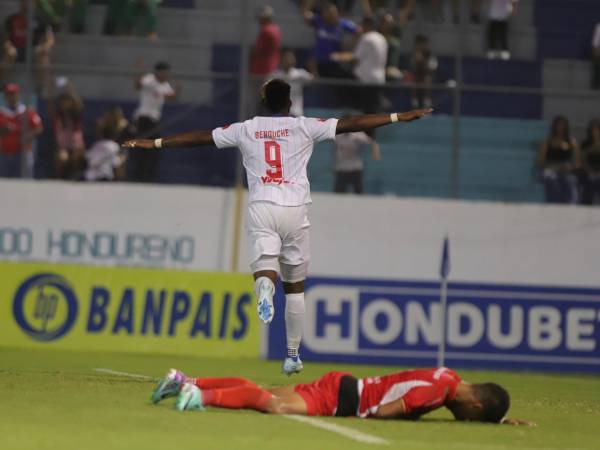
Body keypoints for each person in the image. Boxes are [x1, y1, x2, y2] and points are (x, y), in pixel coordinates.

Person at [123, 78, 432, 374]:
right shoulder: (305, 126)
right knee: (295, 288)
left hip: (262, 206)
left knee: (264, 265)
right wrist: (397, 116)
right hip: (296, 211)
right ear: (289, 102)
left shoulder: (247, 129)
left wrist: (155, 142)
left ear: (263, 101)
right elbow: (351, 124)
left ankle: (264, 290)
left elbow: (201, 137)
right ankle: (293, 356)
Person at [150, 366, 532, 426]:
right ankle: (199, 398)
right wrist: (409, 415)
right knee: (274, 405)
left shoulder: (449, 377)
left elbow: (467, 404)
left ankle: (188, 381)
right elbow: (384, 412)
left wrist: (497, 421)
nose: (462, 420)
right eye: (471, 417)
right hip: (345, 399)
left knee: (264, 392)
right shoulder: (437, 393)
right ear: (475, 405)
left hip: (346, 384)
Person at [129, 61, 178, 182]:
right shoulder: (150, 79)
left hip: (154, 120)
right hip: (144, 117)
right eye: (164, 73)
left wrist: (178, 90)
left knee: (155, 147)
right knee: (143, 147)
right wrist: (139, 72)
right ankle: (138, 176)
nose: (166, 76)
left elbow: (172, 96)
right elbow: (138, 86)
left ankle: (147, 176)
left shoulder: (164, 84)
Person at [331, 17, 388, 114]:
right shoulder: (381, 38)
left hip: (366, 80)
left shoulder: (367, 38)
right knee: (373, 109)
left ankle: (345, 107)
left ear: (367, 25)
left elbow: (355, 58)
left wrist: (337, 56)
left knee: (367, 110)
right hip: (379, 79)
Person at [302, 2, 360, 78]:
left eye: (332, 13)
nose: (331, 15)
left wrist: (349, 48)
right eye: (328, 13)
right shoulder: (319, 21)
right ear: (323, 14)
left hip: (334, 62)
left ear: (337, 13)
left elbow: (359, 31)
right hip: (318, 62)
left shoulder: (343, 24)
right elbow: (306, 16)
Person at [0, 83, 43, 178]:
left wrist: (28, 136)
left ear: (18, 95)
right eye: (9, 94)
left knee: (24, 183)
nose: (11, 97)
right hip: (5, 153)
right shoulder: (2, 113)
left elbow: (39, 127)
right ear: (5, 96)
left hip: (23, 153)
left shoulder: (26, 111)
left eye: (13, 94)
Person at [538, 115, 581, 204]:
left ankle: (570, 204)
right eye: (558, 125)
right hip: (550, 168)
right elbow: (540, 161)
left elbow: (578, 162)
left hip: (566, 169)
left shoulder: (572, 142)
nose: (560, 127)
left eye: (563, 125)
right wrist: (553, 167)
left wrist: (570, 167)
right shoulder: (547, 141)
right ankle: (553, 204)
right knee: (550, 178)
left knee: (570, 179)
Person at [49, 78, 86, 180]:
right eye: (63, 102)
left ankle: (77, 178)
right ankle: (60, 178)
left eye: (67, 102)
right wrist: (52, 91)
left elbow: (79, 104)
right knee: (62, 158)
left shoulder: (76, 115)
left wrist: (70, 88)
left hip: (77, 147)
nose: (65, 104)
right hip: (63, 147)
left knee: (77, 158)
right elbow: (50, 106)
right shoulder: (58, 116)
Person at [248, 5, 281, 116]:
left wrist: (251, 51)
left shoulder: (267, 30)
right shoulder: (275, 29)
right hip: (269, 70)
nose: (259, 20)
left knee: (256, 104)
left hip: (261, 71)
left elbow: (258, 51)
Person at [333, 128, 381, 194]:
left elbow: (372, 142)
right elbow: (335, 147)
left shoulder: (357, 136)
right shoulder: (338, 136)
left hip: (355, 168)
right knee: (338, 192)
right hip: (341, 168)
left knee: (358, 193)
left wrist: (376, 154)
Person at [272, 50, 313, 117]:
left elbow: (313, 81)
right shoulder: (275, 75)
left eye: (290, 59)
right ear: (282, 60)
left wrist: (313, 67)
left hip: (295, 112)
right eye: (286, 59)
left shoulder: (301, 73)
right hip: (279, 113)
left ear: (294, 61)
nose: (288, 61)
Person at [410, 34, 437, 109]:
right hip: (417, 76)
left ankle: (427, 108)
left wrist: (424, 64)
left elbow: (433, 66)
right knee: (415, 88)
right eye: (420, 43)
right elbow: (413, 65)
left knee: (426, 83)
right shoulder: (415, 53)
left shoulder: (430, 54)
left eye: (424, 43)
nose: (422, 46)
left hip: (426, 75)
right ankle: (414, 107)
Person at [580, 119, 600, 205]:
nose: (595, 132)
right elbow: (582, 160)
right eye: (593, 130)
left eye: (597, 129)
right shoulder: (585, 144)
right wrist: (590, 171)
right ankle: (585, 205)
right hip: (589, 171)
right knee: (590, 181)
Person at [592, 22, 600, 90]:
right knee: (597, 68)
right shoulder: (599, 26)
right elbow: (596, 40)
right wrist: (596, 50)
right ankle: (595, 85)